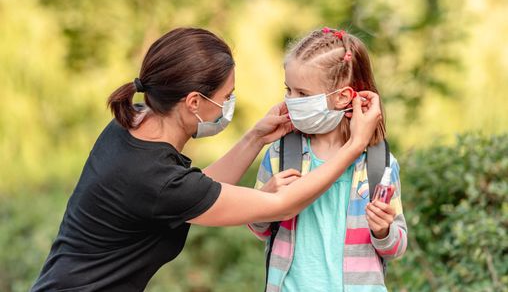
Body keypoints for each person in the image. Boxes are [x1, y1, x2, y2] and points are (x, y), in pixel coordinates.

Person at [31, 27, 381, 291]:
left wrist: (255, 137)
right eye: (226, 96)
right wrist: (355, 146)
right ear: (194, 102)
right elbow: (283, 206)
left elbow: (196, 192)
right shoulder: (156, 179)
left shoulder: (131, 124)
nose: (229, 104)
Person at [248, 27, 407, 292]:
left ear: (343, 96)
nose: (291, 101)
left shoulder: (379, 164)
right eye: (288, 90)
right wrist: (265, 199)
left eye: (303, 94)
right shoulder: (281, 154)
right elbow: (260, 228)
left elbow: (396, 247)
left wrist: (383, 231)